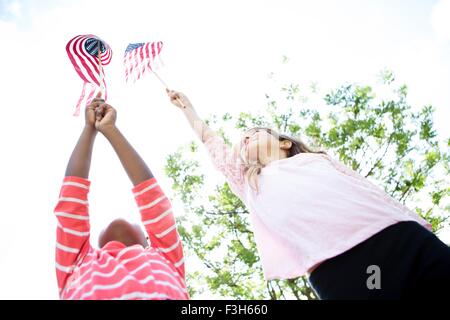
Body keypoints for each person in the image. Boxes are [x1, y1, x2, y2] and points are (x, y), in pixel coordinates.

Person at [166, 89, 450, 299]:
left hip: (399, 237)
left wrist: (413, 220)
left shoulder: (318, 160)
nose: (245, 137)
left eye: (254, 131)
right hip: (342, 270)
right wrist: (187, 108)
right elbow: (210, 140)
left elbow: (366, 189)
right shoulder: (251, 183)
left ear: (285, 142)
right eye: (242, 140)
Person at [54, 93, 188, 300]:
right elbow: (154, 201)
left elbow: (71, 203)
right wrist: (88, 129)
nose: (119, 222)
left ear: (147, 240)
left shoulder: (163, 257)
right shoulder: (80, 262)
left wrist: (110, 130)